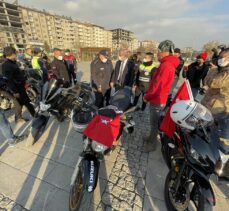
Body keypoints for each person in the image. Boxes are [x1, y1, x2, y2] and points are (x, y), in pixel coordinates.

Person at [143, 40, 180, 152]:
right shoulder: (167, 64)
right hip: (159, 98)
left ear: (165, 52)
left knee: (154, 123)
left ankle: (152, 145)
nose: (157, 53)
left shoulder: (166, 65)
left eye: (159, 51)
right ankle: (150, 138)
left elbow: (157, 86)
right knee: (153, 122)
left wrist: (147, 97)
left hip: (157, 100)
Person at [202, 48, 229, 146]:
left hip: (220, 111)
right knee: (206, 132)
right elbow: (206, 81)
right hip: (209, 106)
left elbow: (213, 83)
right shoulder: (221, 70)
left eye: (223, 57)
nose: (220, 59)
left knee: (216, 137)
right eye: (219, 57)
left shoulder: (226, 73)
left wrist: (213, 70)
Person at [2, 46, 35, 123]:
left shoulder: (13, 62)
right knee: (27, 102)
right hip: (17, 88)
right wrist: (15, 91)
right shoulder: (6, 65)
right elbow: (8, 80)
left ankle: (18, 118)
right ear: (11, 54)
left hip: (20, 86)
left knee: (20, 104)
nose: (16, 55)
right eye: (15, 54)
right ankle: (35, 115)